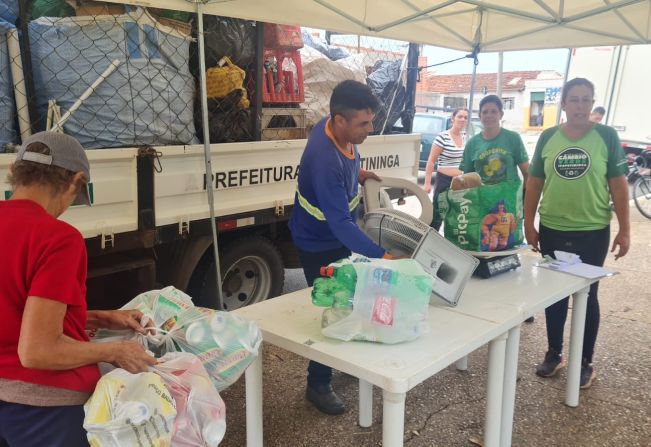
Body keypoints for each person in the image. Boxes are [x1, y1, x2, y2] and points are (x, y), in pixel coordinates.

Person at [0, 132, 157, 447]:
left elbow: (13, 310)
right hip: (45, 410)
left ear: (17, 174)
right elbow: (37, 351)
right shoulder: (57, 238)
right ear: (76, 181)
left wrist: (97, 317)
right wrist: (115, 350)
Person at [289, 80, 392, 415]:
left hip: (335, 235)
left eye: (371, 121)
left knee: (350, 300)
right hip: (318, 242)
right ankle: (317, 384)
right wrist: (381, 255)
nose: (370, 129)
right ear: (340, 119)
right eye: (364, 123)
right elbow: (341, 225)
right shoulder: (323, 160)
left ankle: (340, 358)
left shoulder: (336, 130)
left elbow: (343, 179)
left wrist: (359, 172)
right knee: (332, 307)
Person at [524, 78, 630, 389]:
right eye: (575, 100)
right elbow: (534, 183)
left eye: (586, 100)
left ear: (591, 103)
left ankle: (584, 362)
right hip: (553, 228)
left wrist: (625, 229)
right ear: (565, 104)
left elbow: (619, 185)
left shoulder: (606, 136)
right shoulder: (547, 137)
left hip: (592, 230)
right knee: (554, 296)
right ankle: (554, 353)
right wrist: (528, 223)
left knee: (587, 296)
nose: (580, 106)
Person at [459, 95, 529, 186]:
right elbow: (467, 178)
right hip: (482, 198)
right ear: (480, 115)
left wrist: (524, 197)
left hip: (509, 198)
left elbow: (527, 173)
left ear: (501, 115)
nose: (489, 115)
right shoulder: (472, 144)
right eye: (485, 112)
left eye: (494, 111)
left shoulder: (513, 138)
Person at [423, 107, 469, 230]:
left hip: (460, 183)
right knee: (437, 215)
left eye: (466, 117)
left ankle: (450, 246)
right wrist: (427, 183)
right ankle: (429, 243)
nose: (463, 119)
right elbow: (431, 161)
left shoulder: (466, 138)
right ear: (453, 118)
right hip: (444, 181)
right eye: (460, 116)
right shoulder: (442, 137)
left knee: (456, 217)